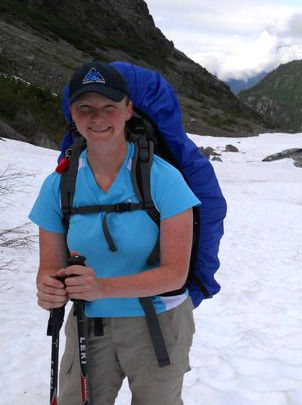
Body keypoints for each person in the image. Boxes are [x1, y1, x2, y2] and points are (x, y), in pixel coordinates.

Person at [30, 61, 200, 404]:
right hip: (88, 323)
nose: (98, 117)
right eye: (85, 108)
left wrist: (102, 287)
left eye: (109, 106)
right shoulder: (59, 185)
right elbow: (49, 267)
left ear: (128, 110)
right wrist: (48, 287)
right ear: (72, 115)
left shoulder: (164, 179)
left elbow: (175, 274)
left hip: (158, 323)